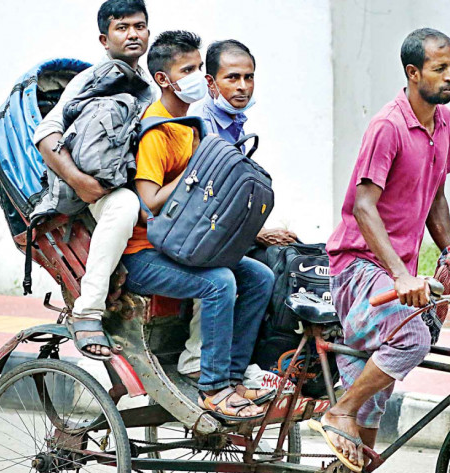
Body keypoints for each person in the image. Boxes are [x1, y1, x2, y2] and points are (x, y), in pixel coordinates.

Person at [313, 28, 450, 471]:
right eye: (440, 69)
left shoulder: (444, 123)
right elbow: (363, 206)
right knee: (411, 337)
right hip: (358, 267)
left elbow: (434, 195)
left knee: (375, 406)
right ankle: (339, 410)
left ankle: (350, 464)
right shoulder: (388, 126)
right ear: (413, 73)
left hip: (397, 272)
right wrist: (399, 274)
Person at [121, 30, 274, 421]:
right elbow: (148, 203)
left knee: (259, 275)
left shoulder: (190, 124)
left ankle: (235, 375)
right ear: (163, 79)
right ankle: (214, 387)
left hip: (181, 244)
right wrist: (194, 170)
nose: (197, 77)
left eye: (197, 67)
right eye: (187, 69)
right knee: (219, 281)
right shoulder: (156, 130)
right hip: (146, 253)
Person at [33, 0, 153, 359]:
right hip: (98, 191)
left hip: (139, 186)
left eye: (139, 26)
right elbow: (46, 132)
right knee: (123, 204)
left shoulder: (149, 82)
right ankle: (88, 312)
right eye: (122, 27)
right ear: (105, 38)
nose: (133, 34)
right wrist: (80, 181)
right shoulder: (92, 79)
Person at [176, 39, 296, 385]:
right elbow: (202, 198)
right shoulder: (201, 122)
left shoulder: (235, 121)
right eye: (232, 78)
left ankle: (235, 367)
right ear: (211, 83)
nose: (242, 86)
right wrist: (254, 233)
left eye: (249, 77)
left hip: (220, 228)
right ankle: (195, 358)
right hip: (194, 232)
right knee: (222, 271)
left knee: (269, 272)